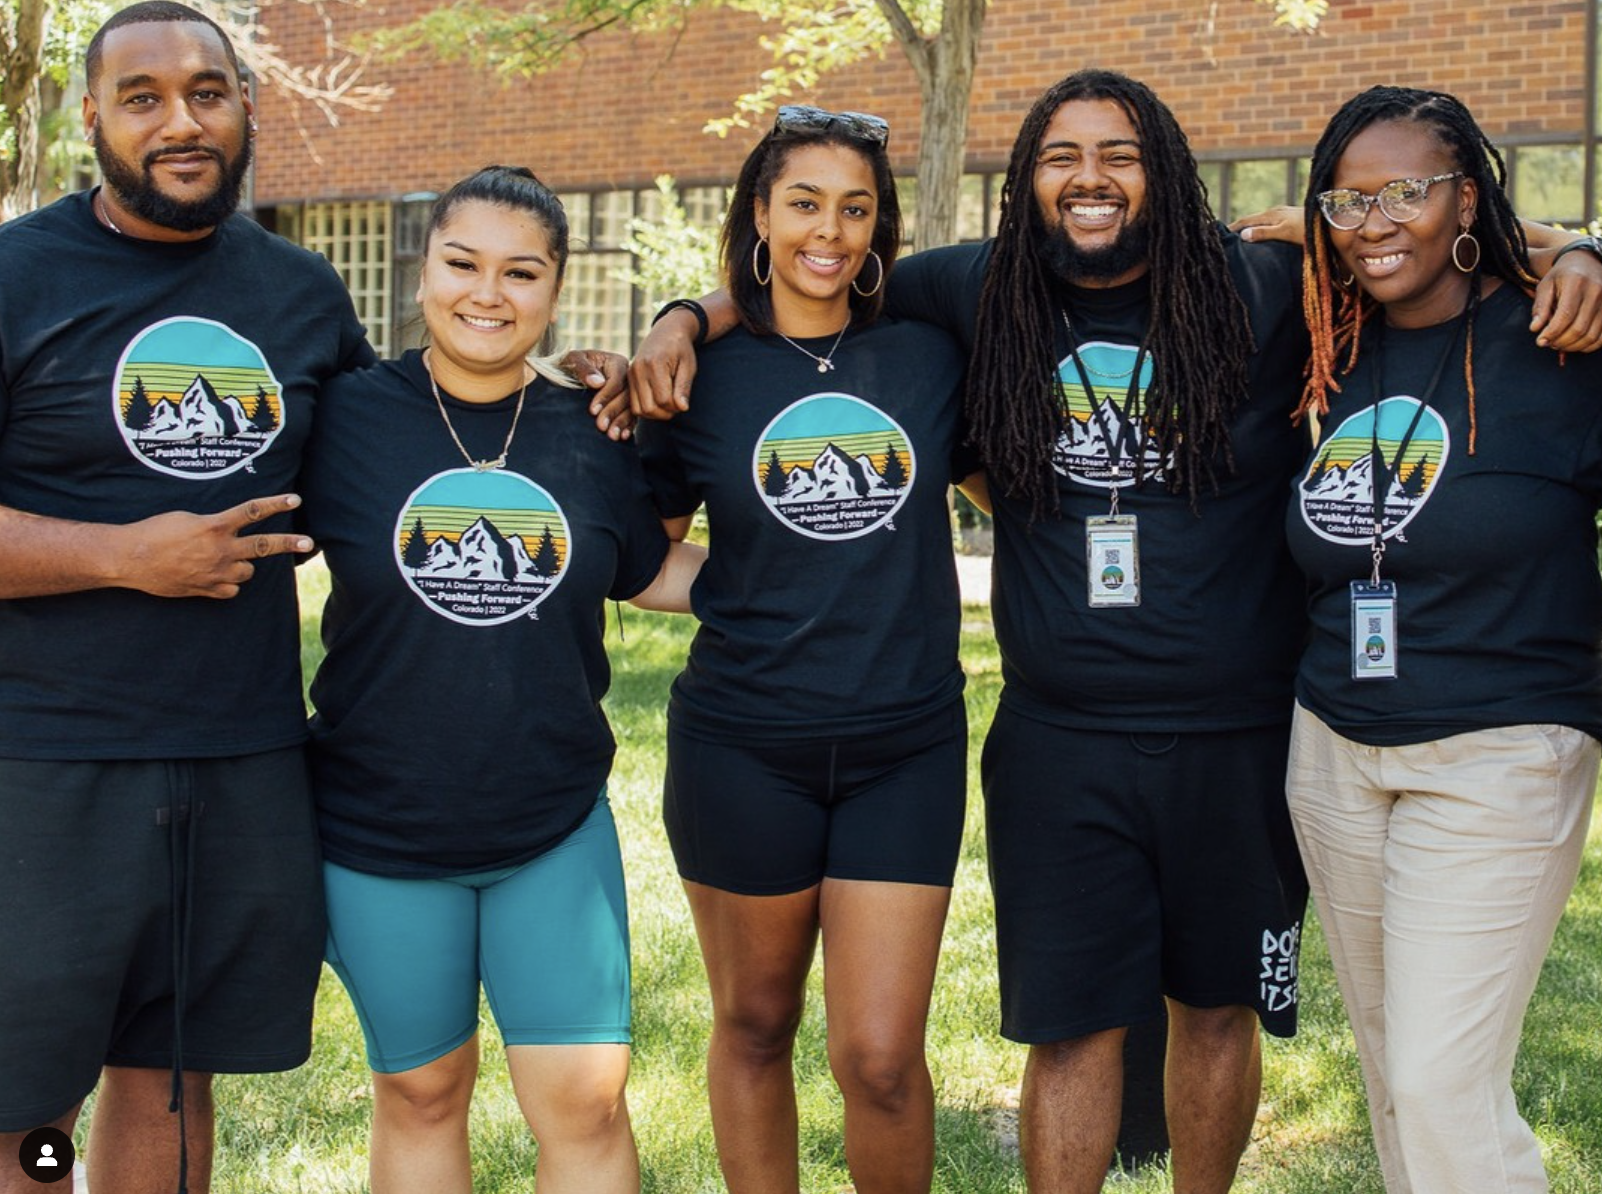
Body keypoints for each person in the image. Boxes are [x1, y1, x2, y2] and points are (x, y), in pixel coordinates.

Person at [630, 70, 1602, 1194]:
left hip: (1241, 733)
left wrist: (1578, 244)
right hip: (1058, 734)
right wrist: (686, 315)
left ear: (1166, 172)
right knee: (1073, 1029)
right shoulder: (980, 289)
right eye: (1060, 156)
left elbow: (1423, 217)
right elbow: (819, 271)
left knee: (1223, 1014)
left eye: (1120, 155)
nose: (1090, 179)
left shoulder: (1262, 281)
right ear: (1028, 181)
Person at [0, 0, 373, 1194]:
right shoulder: (18, 276)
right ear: (94, 117)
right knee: (26, 1093)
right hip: (44, 761)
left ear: (246, 107)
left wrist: (637, 364)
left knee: (170, 1070)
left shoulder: (303, 294)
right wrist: (121, 554)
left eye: (207, 92)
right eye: (143, 97)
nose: (181, 121)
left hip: (239, 753)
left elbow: (398, 463)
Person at [300, 166, 704, 1194]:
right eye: (462, 263)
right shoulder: (342, 417)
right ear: (422, 268)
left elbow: (651, 569)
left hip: (549, 824)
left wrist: (836, 571)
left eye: (520, 271)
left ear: (556, 289)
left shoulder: (595, 425)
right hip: (379, 827)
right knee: (423, 1090)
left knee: (582, 1099)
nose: (488, 292)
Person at [635, 106, 975, 1194]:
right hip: (744, 742)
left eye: (857, 207)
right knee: (754, 1022)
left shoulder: (927, 352)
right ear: (760, 214)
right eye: (804, 202)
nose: (830, 230)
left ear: (880, 226)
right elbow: (641, 560)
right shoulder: (703, 376)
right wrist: (744, 596)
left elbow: (1003, 487)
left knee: (878, 1057)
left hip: (905, 745)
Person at [1285, 87, 1602, 1194]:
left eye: (1407, 191)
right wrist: (701, 310)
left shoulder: (1564, 334)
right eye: (1348, 198)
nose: (1374, 221)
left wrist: (1590, 244)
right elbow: (1250, 233)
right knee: (1392, 1076)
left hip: (1501, 754)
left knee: (1437, 1081)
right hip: (1333, 747)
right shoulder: (1323, 335)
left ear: (1468, 192)